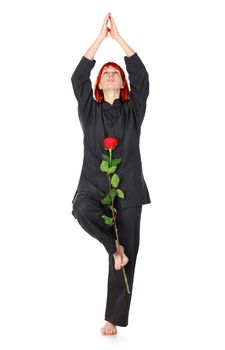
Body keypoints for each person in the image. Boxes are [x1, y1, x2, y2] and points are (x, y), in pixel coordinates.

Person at [71, 13, 151, 336]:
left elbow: (142, 76)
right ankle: (113, 247)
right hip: (93, 186)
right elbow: (78, 78)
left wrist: (118, 39)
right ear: (99, 85)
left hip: (128, 190)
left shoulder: (134, 112)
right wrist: (99, 41)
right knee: (80, 209)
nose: (108, 75)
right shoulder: (89, 111)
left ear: (121, 83)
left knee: (127, 260)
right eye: (104, 73)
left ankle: (112, 319)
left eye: (114, 72)